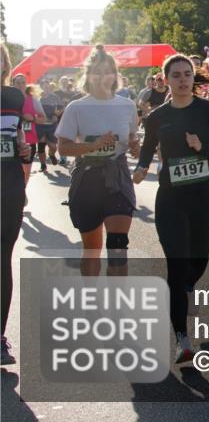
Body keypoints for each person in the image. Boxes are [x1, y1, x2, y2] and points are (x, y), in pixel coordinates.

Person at [133, 54, 209, 364]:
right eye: (175, 75)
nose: (181, 79)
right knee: (176, 266)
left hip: (202, 196)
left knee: (199, 259)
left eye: (186, 74)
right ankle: (182, 339)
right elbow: (148, 149)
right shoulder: (157, 116)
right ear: (166, 80)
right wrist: (140, 168)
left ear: (194, 78)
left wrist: (201, 148)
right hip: (170, 198)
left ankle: (188, 285)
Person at [55, 45, 140, 277]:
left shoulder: (128, 106)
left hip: (118, 177)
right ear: (88, 75)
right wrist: (93, 146)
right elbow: (63, 147)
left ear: (115, 75)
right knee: (92, 250)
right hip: (88, 179)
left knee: (118, 246)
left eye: (107, 71)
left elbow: (131, 139)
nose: (103, 77)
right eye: (97, 72)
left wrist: (134, 147)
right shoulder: (76, 108)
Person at [1, 44, 31, 365]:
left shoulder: (14, 98)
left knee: (2, 258)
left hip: (8, 185)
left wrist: (25, 151)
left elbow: (19, 139)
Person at [38, 80, 62, 171]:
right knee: (41, 145)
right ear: (41, 87)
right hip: (40, 125)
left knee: (53, 146)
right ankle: (43, 165)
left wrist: (56, 115)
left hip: (51, 125)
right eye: (44, 87)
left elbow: (61, 107)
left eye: (48, 87)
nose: (46, 89)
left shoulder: (54, 97)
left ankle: (51, 155)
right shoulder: (38, 97)